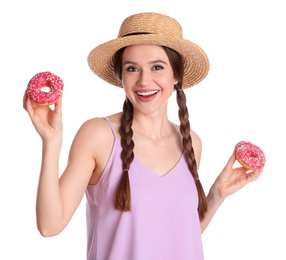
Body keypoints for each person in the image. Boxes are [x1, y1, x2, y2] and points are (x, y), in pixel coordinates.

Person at [23, 12, 263, 260]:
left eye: (157, 67)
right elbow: (50, 226)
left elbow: (177, 234)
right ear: (121, 76)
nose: (143, 80)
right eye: (132, 68)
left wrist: (216, 195)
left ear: (176, 75)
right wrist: (51, 143)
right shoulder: (98, 135)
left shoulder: (191, 142)